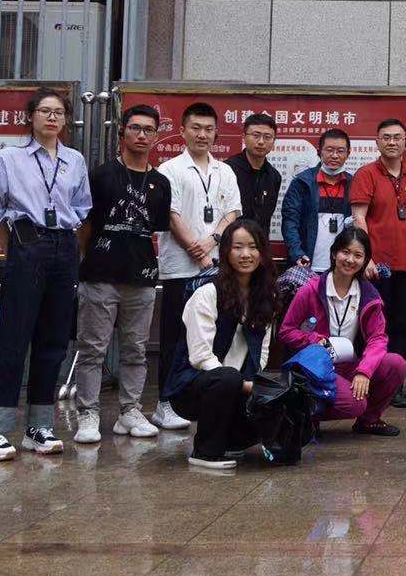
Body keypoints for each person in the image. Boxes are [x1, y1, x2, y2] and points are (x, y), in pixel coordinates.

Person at [0, 88, 92, 461]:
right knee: (13, 338)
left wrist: (68, 249)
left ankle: (39, 427)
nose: (52, 118)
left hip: (64, 247)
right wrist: (16, 250)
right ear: (30, 117)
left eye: (59, 112)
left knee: (53, 342)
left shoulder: (74, 160)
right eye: (45, 111)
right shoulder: (10, 158)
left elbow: (81, 207)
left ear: (66, 120)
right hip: (27, 243)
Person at [72, 104, 172, 444]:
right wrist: (92, 259)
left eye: (149, 130)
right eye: (135, 128)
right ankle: (88, 413)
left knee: (136, 350)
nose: (142, 135)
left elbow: (154, 230)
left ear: (156, 136)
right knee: (92, 349)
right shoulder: (101, 175)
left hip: (141, 278)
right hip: (100, 276)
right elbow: (85, 227)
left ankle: (130, 411)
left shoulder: (160, 183)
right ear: (122, 132)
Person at [162, 219, 280, 469]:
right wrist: (242, 385)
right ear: (225, 251)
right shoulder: (208, 293)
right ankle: (205, 453)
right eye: (238, 247)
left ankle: (231, 441)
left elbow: (262, 351)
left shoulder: (265, 296)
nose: (246, 254)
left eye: (253, 247)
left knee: (279, 398)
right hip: (194, 386)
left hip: (237, 385)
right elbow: (200, 356)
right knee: (227, 378)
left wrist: (256, 387)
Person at [154, 102, 242, 431]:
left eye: (208, 129)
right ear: (183, 131)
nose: (202, 134)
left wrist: (213, 240)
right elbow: (171, 215)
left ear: (216, 133)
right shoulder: (170, 169)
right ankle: (165, 403)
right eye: (196, 128)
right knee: (175, 337)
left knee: (211, 337)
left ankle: (203, 399)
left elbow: (233, 212)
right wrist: (199, 252)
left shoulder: (224, 171)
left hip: (218, 269)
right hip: (181, 268)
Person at [278, 227, 406, 436]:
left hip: (350, 365)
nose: (350, 260)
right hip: (316, 367)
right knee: (356, 404)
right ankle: (307, 414)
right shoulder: (311, 289)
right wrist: (314, 340)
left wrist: (364, 371)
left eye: (358, 255)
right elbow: (286, 331)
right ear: (333, 253)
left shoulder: (369, 294)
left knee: (396, 364)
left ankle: (369, 421)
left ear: (365, 261)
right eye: (345, 252)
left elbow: (378, 338)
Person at [351, 118, 406, 408]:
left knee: (402, 324)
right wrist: (366, 257)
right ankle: (367, 381)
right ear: (377, 142)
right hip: (377, 266)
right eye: (386, 137)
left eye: (397, 137)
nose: (392, 142)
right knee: (374, 325)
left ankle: (395, 386)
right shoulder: (366, 174)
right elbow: (359, 217)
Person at [282, 129, 355, 271]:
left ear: (348, 153)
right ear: (319, 151)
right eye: (329, 150)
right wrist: (297, 253)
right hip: (306, 264)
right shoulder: (302, 182)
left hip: (342, 267)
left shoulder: (354, 184)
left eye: (340, 151)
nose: (335, 155)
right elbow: (290, 221)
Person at [225, 111, 281, 232]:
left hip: (259, 241)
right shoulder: (227, 169)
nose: (261, 142)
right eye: (256, 135)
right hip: (230, 240)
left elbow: (266, 219)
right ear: (244, 137)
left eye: (267, 137)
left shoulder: (274, 176)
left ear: (273, 141)